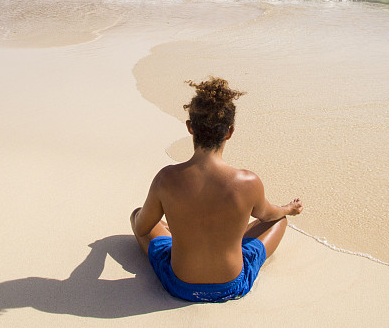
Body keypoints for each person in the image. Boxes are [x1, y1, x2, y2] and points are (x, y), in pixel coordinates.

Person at [130, 77, 303, 302]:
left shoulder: (166, 179)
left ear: (190, 127)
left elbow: (143, 227)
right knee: (279, 220)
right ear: (229, 132)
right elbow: (270, 215)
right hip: (232, 284)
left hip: (180, 285)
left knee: (137, 215)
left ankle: (184, 236)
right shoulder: (248, 181)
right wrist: (288, 208)